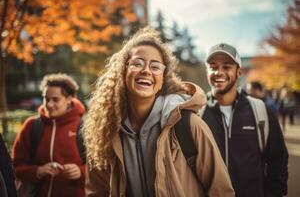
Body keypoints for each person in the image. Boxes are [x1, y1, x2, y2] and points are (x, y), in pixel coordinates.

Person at [84, 27, 235, 197]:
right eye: (137, 63)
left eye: (155, 66)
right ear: (122, 71)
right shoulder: (106, 130)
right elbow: (97, 191)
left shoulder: (189, 125)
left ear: (163, 78)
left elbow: (221, 191)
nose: (146, 70)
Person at [201, 43, 289, 197]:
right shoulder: (196, 113)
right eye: (213, 66)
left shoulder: (260, 111)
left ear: (239, 71)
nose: (218, 72)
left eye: (226, 66)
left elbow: (278, 161)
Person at [12, 73, 86, 197]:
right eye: (46, 99)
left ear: (69, 99)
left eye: (55, 99)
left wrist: (81, 171)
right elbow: (16, 167)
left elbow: (101, 168)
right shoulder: (31, 126)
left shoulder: (84, 127)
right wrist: (37, 171)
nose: (49, 104)